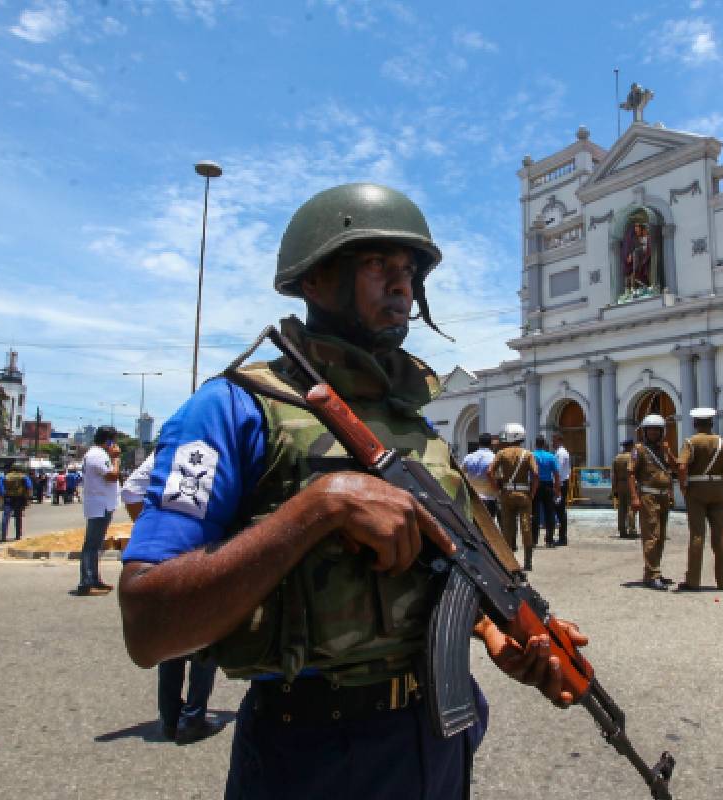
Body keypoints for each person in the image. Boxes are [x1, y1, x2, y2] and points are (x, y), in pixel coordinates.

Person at [118, 184, 585, 797]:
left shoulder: (414, 426)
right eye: (377, 265)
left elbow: (440, 571)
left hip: (437, 739)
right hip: (311, 753)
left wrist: (495, 633)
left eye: (411, 271)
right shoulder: (229, 410)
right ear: (315, 279)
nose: (403, 285)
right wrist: (321, 506)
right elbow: (148, 623)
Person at [122, 453, 221, 744]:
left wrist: (149, 530)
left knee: (174, 637)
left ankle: (169, 718)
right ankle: (193, 718)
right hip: (203, 550)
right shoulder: (212, 445)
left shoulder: (168, 451)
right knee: (206, 639)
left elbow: (130, 489)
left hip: (167, 553)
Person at [676, 408, 723, 591]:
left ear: (695, 424)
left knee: (697, 535)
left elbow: (682, 465)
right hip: (718, 489)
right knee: (721, 534)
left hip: (697, 489)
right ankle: (722, 580)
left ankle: (693, 580)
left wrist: (683, 486)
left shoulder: (691, 442)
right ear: (711, 423)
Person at [631, 414, 676, 590]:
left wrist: (668, 452)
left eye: (657, 430)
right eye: (650, 430)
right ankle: (652, 574)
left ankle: (653, 571)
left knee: (661, 535)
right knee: (651, 535)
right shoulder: (639, 450)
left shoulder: (663, 450)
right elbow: (631, 474)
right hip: (648, 496)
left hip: (663, 496)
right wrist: (635, 497)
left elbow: (674, 467)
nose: (653, 433)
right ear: (644, 431)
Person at [490, 423, 540, 569]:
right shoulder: (528, 454)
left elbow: (489, 472)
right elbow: (536, 474)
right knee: (526, 527)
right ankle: (528, 561)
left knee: (507, 527)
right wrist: (532, 493)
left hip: (506, 494)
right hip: (524, 494)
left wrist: (496, 489)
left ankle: (508, 560)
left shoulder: (501, 453)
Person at [78, 426, 121, 596]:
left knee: (95, 545)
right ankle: (87, 582)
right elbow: (112, 476)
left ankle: (94, 579)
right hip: (99, 504)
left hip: (102, 504)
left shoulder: (99, 454)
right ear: (109, 441)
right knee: (92, 545)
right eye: (113, 441)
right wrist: (116, 458)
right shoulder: (97, 455)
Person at [530, 436, 561, 548]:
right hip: (548, 485)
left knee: (535, 513)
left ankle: (533, 540)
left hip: (535, 485)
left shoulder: (532, 456)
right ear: (544, 444)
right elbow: (557, 474)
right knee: (550, 513)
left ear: (535, 444)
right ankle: (549, 540)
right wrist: (557, 489)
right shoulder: (551, 456)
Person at [462, 433, 500, 521]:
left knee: (474, 527)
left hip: (472, 498)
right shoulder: (495, 458)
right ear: (491, 444)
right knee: (488, 528)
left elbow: (461, 473)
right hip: (489, 499)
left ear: (479, 443)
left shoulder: (469, 457)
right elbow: (498, 477)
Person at [0, 461, 32, 542]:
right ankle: (18, 535)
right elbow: (29, 487)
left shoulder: (5, 476)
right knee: (18, 517)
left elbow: (1, 490)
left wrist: (1, 499)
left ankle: (3, 536)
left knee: (5, 517)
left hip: (8, 498)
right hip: (19, 498)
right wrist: (28, 499)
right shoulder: (24, 477)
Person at [611, 439, 638, 538]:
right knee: (631, 506)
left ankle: (622, 530)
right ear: (631, 446)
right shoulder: (633, 457)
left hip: (620, 484)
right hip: (630, 483)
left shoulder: (617, 457)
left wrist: (614, 489)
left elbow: (614, 475)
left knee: (621, 507)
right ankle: (632, 529)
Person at [552, 433, 572, 546]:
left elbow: (557, 472)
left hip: (560, 484)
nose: (552, 443)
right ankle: (561, 536)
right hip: (562, 483)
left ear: (559, 440)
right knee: (560, 510)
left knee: (560, 510)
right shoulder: (560, 452)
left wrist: (556, 488)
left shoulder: (560, 453)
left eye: (554, 440)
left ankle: (562, 537)